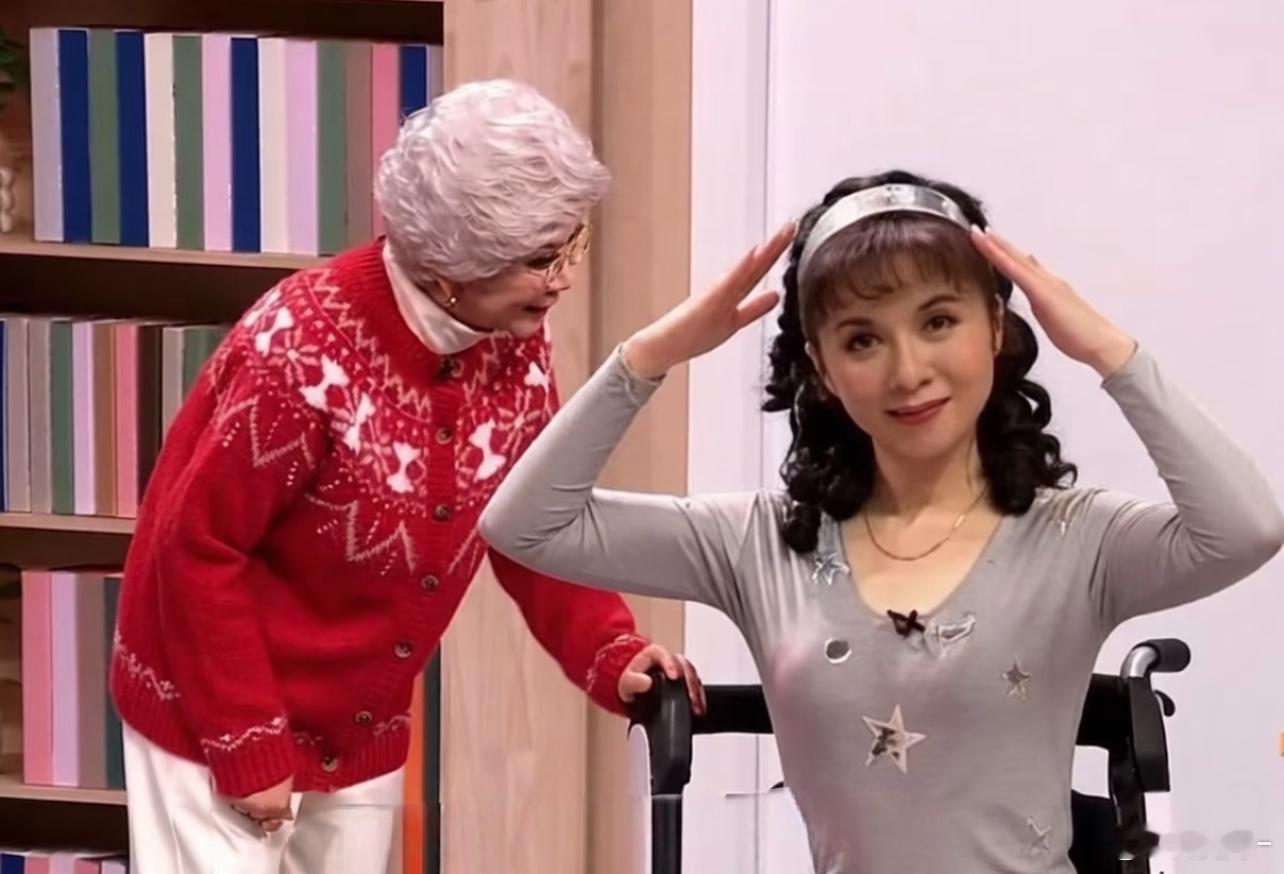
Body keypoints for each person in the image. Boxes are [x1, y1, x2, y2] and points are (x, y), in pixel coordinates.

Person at [480, 169, 1284, 873]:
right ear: (823, 370)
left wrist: (1111, 353)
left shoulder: (1080, 540)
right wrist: (648, 357)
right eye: (863, 340)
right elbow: (526, 525)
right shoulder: (760, 542)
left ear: (995, 328)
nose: (908, 371)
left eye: (938, 322)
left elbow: (1247, 527)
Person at [108, 79, 703, 874]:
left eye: (571, 246)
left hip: (359, 722)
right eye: (540, 259)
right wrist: (247, 741)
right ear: (455, 265)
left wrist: (609, 649)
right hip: (211, 704)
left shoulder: (513, 341)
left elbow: (529, 521)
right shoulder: (299, 350)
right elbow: (195, 549)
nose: (562, 278)